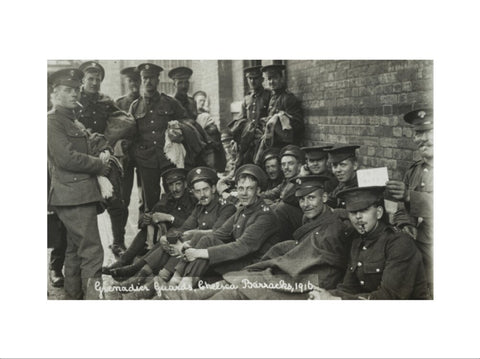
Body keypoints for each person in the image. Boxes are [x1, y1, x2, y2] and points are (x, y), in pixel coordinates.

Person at [160, 175, 353, 300]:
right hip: (286, 268)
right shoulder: (312, 218)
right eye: (302, 199)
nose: (305, 204)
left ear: (325, 198)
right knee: (232, 281)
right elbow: (219, 234)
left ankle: (185, 296)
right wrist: (191, 239)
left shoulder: (334, 226)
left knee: (238, 289)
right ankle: (186, 293)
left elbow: (326, 263)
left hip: (303, 279)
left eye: (312, 198)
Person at [118, 167, 237, 299]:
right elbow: (184, 228)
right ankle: (141, 278)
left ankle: (150, 284)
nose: (202, 194)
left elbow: (216, 234)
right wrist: (166, 238)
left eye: (205, 189)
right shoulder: (200, 207)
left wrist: (185, 240)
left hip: (212, 256)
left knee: (190, 239)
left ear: (214, 189)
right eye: (197, 191)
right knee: (175, 239)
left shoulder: (226, 207)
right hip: (194, 252)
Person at [161, 164, 280, 289]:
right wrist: (190, 244)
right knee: (207, 239)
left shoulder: (265, 215)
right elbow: (220, 233)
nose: (244, 193)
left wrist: (201, 252)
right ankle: (180, 280)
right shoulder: (242, 210)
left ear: (259, 190)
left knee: (205, 249)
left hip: (254, 266)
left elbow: (242, 246)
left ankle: (183, 283)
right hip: (239, 258)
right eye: (241, 188)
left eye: (249, 189)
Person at [47, 68, 110, 299]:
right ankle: (94, 299)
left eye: (75, 89)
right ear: (55, 93)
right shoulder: (53, 121)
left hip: (75, 194)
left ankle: (75, 297)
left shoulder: (70, 120)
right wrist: (99, 165)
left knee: (74, 251)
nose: (74, 94)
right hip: (74, 195)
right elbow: (66, 158)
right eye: (67, 90)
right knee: (93, 252)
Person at [308, 186, 430, 300]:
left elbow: (389, 297)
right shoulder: (357, 242)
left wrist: (337, 299)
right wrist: (326, 295)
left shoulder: (399, 243)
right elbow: (349, 287)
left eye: (364, 210)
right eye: (352, 212)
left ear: (379, 213)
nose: (358, 217)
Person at [102, 168, 196, 278]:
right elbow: (151, 213)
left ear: (185, 184)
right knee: (146, 229)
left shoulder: (192, 200)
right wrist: (146, 219)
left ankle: (135, 267)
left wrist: (168, 218)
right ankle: (123, 261)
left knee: (170, 233)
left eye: (178, 184)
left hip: (180, 239)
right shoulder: (167, 198)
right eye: (171, 185)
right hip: (163, 237)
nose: (174, 189)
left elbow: (190, 225)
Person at [77, 61, 129, 257]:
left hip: (103, 156)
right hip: (79, 158)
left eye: (97, 79)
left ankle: (118, 242)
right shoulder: (74, 101)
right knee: (77, 208)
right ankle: (60, 261)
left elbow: (125, 120)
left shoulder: (105, 101)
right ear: (82, 80)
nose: (94, 82)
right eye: (90, 78)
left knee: (117, 202)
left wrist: (107, 140)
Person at [129, 63, 191, 213]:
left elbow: (186, 122)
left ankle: (173, 228)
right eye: (145, 78)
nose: (148, 82)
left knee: (174, 196)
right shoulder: (135, 106)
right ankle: (151, 233)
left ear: (158, 80)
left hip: (168, 159)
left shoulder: (170, 103)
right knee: (150, 200)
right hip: (146, 161)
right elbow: (130, 134)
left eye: (152, 78)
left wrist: (178, 131)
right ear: (141, 80)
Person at [386, 108, 434, 294]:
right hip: (417, 253)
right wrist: (405, 223)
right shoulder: (414, 171)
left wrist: (409, 196)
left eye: (429, 132)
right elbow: (399, 209)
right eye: (418, 133)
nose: (422, 139)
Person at [256, 64, 303, 157]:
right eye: (269, 79)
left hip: (283, 146)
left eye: (275, 78)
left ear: (281, 78)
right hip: (272, 143)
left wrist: (281, 119)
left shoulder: (288, 98)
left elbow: (298, 125)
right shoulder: (272, 98)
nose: (271, 82)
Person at [229, 65, 271, 167]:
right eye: (250, 78)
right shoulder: (247, 98)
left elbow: (270, 116)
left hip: (261, 136)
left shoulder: (268, 95)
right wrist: (235, 139)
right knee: (243, 162)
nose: (252, 81)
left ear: (262, 79)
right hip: (247, 137)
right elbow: (241, 119)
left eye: (255, 78)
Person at [324, 144, 360, 209]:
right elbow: (330, 200)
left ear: (355, 165)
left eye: (343, 165)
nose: (338, 170)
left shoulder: (361, 187)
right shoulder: (342, 184)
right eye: (335, 166)